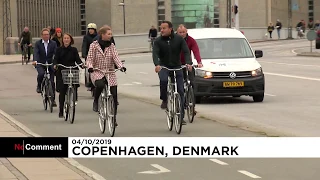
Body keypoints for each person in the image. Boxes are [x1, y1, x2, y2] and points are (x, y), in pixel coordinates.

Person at [152, 20, 192, 125]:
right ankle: (164, 100)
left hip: (177, 66)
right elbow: (155, 53)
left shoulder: (179, 39)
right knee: (164, 80)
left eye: (164, 28)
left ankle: (181, 117)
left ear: (170, 29)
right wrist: (157, 64)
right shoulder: (158, 41)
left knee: (181, 91)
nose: (162, 30)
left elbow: (186, 51)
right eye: (161, 28)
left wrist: (188, 63)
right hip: (164, 66)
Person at [86, 26, 126, 126]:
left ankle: (114, 118)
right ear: (102, 35)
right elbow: (89, 59)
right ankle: (96, 101)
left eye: (110, 34)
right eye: (108, 34)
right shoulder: (94, 45)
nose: (110, 36)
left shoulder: (111, 46)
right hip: (97, 71)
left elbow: (116, 57)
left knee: (114, 94)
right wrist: (90, 67)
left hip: (110, 71)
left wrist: (121, 66)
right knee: (99, 85)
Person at [53, 33, 84, 118]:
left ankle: (74, 98)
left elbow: (77, 59)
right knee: (62, 90)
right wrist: (55, 65)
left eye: (68, 38)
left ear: (70, 40)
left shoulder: (73, 49)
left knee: (74, 84)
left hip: (72, 69)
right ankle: (61, 110)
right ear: (62, 40)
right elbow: (55, 59)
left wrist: (81, 65)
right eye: (65, 38)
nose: (66, 40)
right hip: (62, 69)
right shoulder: (59, 49)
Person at [176, 24, 203, 115]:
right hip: (177, 65)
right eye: (180, 32)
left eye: (183, 32)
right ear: (177, 32)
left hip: (188, 64)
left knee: (192, 83)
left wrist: (199, 61)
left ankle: (192, 106)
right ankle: (179, 103)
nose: (182, 34)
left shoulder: (191, 40)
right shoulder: (174, 40)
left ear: (186, 32)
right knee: (179, 86)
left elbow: (196, 50)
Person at [32, 28, 57, 107]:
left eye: (47, 34)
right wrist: (35, 61)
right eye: (45, 34)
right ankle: (39, 86)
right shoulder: (38, 43)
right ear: (41, 36)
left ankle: (53, 100)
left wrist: (55, 62)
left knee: (52, 82)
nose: (46, 36)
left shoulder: (53, 43)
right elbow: (36, 53)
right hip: (41, 63)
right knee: (41, 74)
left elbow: (55, 53)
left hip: (50, 64)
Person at [82, 23, 98, 91]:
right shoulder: (86, 37)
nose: (90, 31)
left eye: (92, 29)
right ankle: (88, 83)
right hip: (89, 56)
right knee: (88, 71)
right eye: (89, 29)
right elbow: (84, 46)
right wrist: (84, 54)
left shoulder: (98, 36)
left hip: (97, 56)